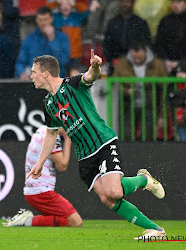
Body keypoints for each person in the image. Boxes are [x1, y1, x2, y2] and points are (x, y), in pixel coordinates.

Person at [15, 50, 166, 239]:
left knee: (114, 192)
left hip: (101, 142)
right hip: (84, 155)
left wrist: (95, 66)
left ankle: (143, 180)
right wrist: (39, 164)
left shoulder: (73, 84)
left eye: (33, 72)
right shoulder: (49, 104)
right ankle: (156, 230)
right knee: (107, 198)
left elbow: (91, 76)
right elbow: (51, 135)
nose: (31, 76)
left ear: (45, 73)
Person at [3, 126, 82, 227]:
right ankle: (26, 220)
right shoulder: (52, 135)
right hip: (42, 191)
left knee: (66, 221)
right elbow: (62, 166)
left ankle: (27, 220)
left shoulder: (41, 130)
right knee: (76, 222)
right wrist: (68, 139)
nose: (70, 128)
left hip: (33, 189)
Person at [113, 40, 167, 140]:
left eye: (140, 58)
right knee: (125, 134)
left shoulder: (157, 64)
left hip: (149, 104)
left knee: (147, 135)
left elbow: (163, 89)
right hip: (127, 105)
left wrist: (161, 115)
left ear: (146, 52)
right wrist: (127, 91)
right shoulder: (122, 63)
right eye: (135, 58)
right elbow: (115, 85)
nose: (137, 60)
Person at [15, 6, 70, 80]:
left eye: (45, 19)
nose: (43, 23)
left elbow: (64, 61)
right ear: (36, 21)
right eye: (40, 20)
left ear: (51, 19)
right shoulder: (29, 39)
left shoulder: (62, 37)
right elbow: (20, 62)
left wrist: (52, 40)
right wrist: (22, 73)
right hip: (34, 80)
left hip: (54, 80)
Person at [103, 0, 151, 75]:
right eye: (123, 2)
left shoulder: (140, 23)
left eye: (127, 2)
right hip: (115, 63)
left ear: (133, 3)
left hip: (136, 63)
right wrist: (112, 60)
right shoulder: (113, 23)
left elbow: (145, 44)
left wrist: (135, 58)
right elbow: (107, 44)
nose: (125, 4)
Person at [154, 0, 186, 75]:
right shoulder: (165, 20)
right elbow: (159, 44)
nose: (175, 5)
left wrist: (181, 63)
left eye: (178, 2)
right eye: (173, 2)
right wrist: (166, 61)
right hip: (167, 65)